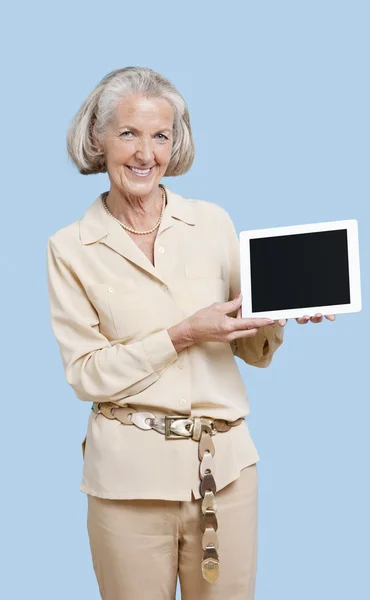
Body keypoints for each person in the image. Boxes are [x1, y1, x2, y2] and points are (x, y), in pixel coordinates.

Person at [46, 66, 335, 600]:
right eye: (128, 133)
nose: (145, 153)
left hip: (224, 475)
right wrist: (180, 334)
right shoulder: (70, 247)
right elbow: (86, 374)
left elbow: (249, 348)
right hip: (127, 484)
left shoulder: (213, 224)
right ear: (97, 138)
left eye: (161, 136)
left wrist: (276, 316)